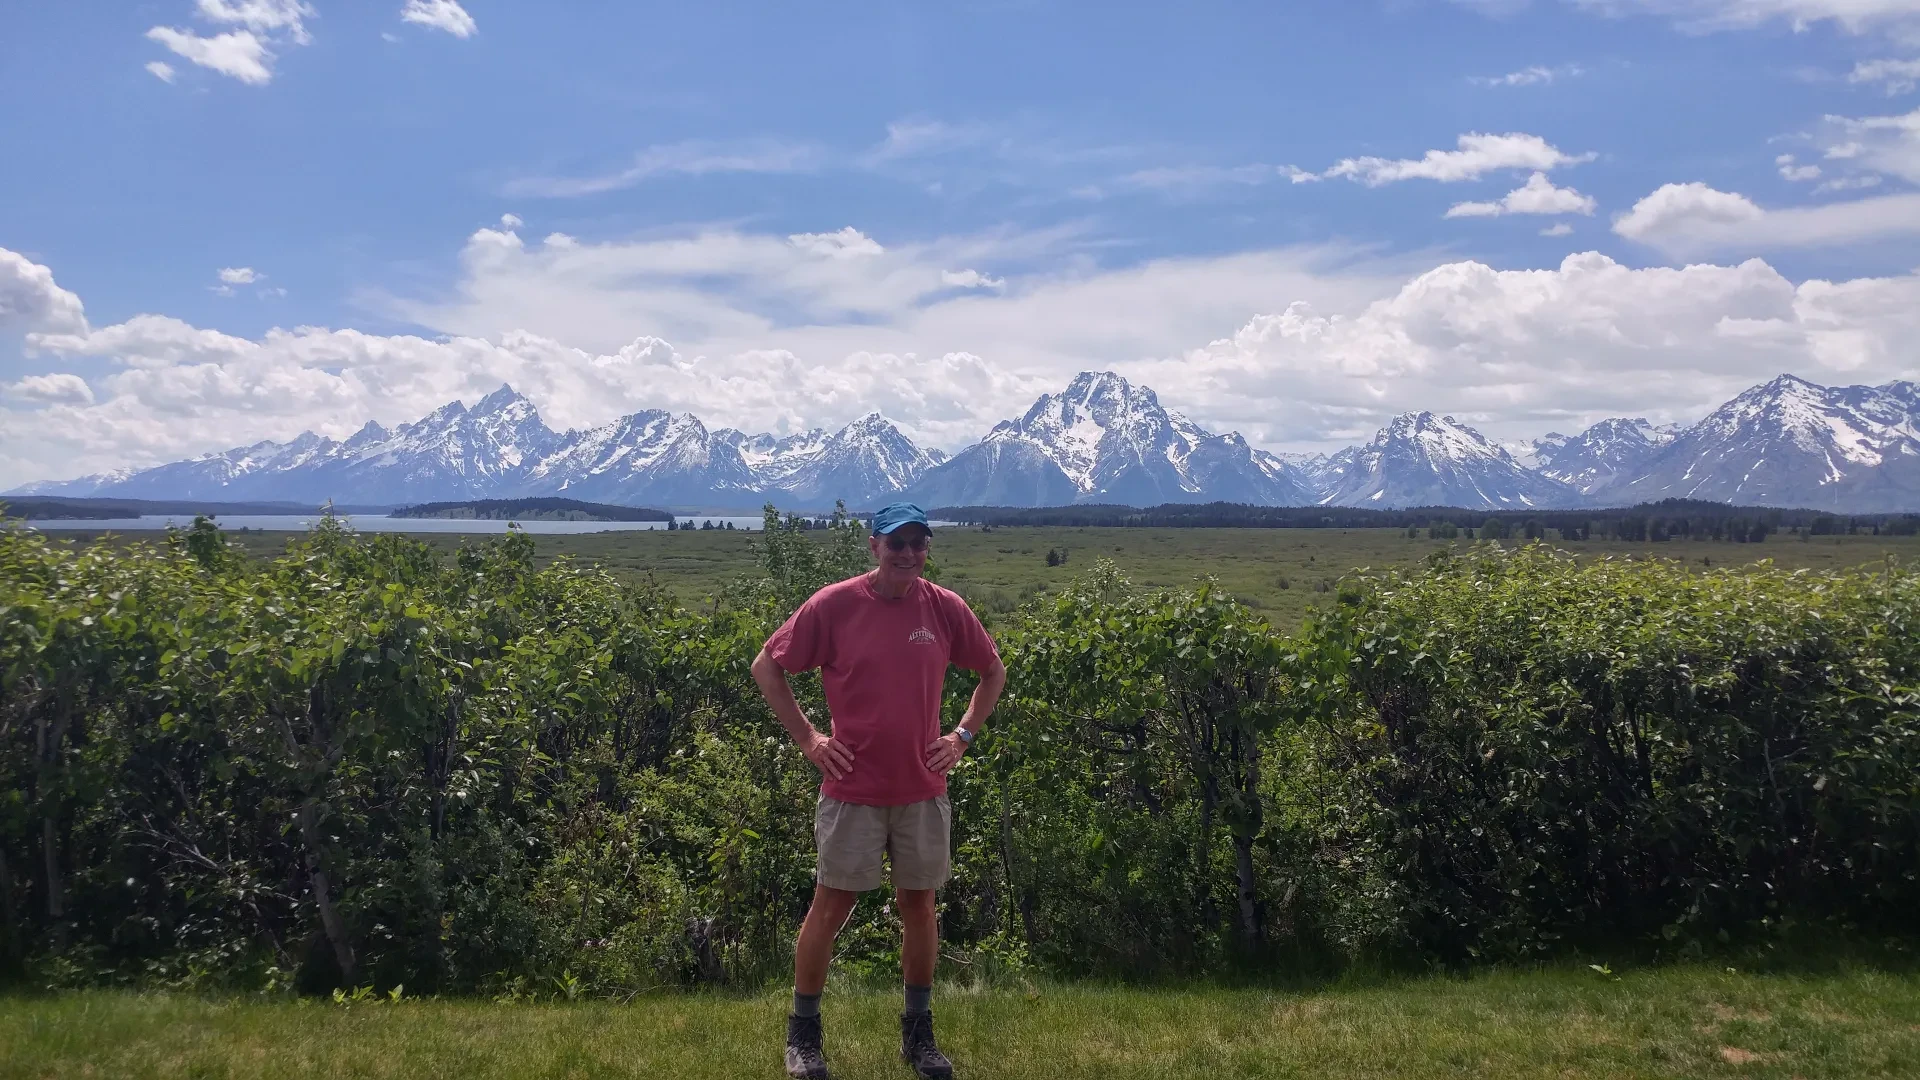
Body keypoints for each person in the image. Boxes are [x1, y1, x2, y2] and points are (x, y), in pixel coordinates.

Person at [751, 502, 1007, 1080]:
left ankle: (919, 1037)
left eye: (919, 543)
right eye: (898, 543)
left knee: (919, 907)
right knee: (830, 906)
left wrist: (962, 736)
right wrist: (810, 739)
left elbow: (993, 671)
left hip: (922, 789)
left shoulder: (945, 608)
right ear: (874, 546)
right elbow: (767, 666)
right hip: (852, 791)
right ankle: (804, 1039)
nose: (909, 554)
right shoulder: (835, 604)